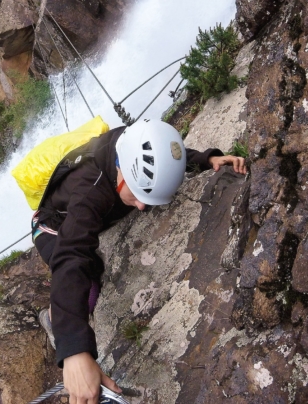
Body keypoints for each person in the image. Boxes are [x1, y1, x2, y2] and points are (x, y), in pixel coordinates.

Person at [32, 119, 246, 404]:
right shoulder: (89, 191)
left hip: (88, 213)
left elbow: (169, 153)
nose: (143, 206)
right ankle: (53, 318)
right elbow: (72, 255)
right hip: (51, 228)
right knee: (90, 276)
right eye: (137, 193)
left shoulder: (133, 140)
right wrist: (73, 349)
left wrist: (207, 159)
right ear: (120, 171)